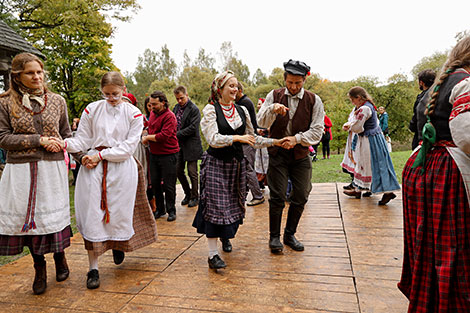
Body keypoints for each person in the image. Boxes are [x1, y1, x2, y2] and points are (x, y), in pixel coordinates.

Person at [64, 71, 157, 289]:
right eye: (106, 94)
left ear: (123, 90)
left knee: (118, 213)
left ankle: (118, 244)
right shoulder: (92, 109)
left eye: (115, 93)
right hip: (94, 170)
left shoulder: (133, 114)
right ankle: (93, 268)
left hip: (121, 169)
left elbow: (127, 148)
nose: (111, 98)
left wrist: (101, 155)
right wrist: (64, 144)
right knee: (93, 216)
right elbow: (83, 139)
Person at [398, 36, 470, 312]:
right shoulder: (465, 82)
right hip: (447, 172)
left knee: (429, 245)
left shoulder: (439, 84)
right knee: (451, 248)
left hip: (423, 167)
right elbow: (466, 134)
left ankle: (428, 300)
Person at [193, 70, 285, 270]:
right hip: (216, 164)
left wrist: (276, 142)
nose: (235, 89)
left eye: (236, 85)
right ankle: (212, 255)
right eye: (230, 86)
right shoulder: (210, 110)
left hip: (236, 165)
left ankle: (225, 236)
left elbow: (253, 139)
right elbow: (213, 139)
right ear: (220, 89)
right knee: (215, 208)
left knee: (232, 206)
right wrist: (237, 138)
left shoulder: (241, 111)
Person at [0, 53, 72, 295]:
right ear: (17, 76)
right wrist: (38, 140)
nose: (37, 77)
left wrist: (61, 144)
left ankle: (60, 257)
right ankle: (39, 267)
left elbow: (67, 134)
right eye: (30, 73)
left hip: (51, 169)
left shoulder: (58, 101)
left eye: (39, 72)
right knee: (29, 221)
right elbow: (3, 138)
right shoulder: (4, 102)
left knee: (50, 217)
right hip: (20, 170)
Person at [257, 59, 324, 253]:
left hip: (300, 154)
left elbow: (317, 131)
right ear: (284, 79)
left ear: (304, 80)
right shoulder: (274, 95)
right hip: (277, 154)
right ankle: (274, 237)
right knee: (277, 196)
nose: (293, 87)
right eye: (290, 82)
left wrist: (296, 139)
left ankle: (289, 234)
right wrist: (272, 109)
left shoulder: (314, 100)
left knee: (301, 194)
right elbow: (261, 121)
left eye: (298, 82)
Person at [341, 87, 400, 205]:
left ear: (358, 98)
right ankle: (359, 189)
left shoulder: (364, 108)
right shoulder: (367, 106)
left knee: (373, 165)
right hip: (371, 138)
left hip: (370, 140)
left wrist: (349, 127)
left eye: (352, 100)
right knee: (366, 164)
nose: (352, 102)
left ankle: (387, 192)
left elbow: (358, 127)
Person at [142, 91, 179, 221]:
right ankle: (160, 209)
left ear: (163, 102)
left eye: (155, 104)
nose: (152, 107)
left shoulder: (170, 116)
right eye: (150, 104)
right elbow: (150, 128)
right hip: (154, 154)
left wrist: (147, 138)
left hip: (169, 154)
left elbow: (163, 136)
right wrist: (146, 132)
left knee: (169, 185)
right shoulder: (152, 114)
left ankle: (171, 210)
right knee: (156, 184)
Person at [172, 86, 203, 208]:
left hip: (191, 145)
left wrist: (176, 134)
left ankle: (195, 197)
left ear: (187, 95)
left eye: (181, 98)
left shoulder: (194, 109)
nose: (179, 101)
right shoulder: (176, 107)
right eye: (177, 99)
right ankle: (188, 193)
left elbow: (193, 128)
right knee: (178, 171)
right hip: (178, 145)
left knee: (192, 172)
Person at [236, 82, 265, 206]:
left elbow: (246, 124)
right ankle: (246, 193)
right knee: (245, 168)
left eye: (234, 89)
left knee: (248, 168)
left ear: (239, 90)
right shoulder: (242, 102)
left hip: (248, 139)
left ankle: (258, 195)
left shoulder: (245, 103)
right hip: (246, 139)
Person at [409, 69, 436, 150]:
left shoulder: (421, 99)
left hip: (422, 136)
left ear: (421, 82)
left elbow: (416, 117)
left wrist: (411, 126)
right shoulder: (439, 94)